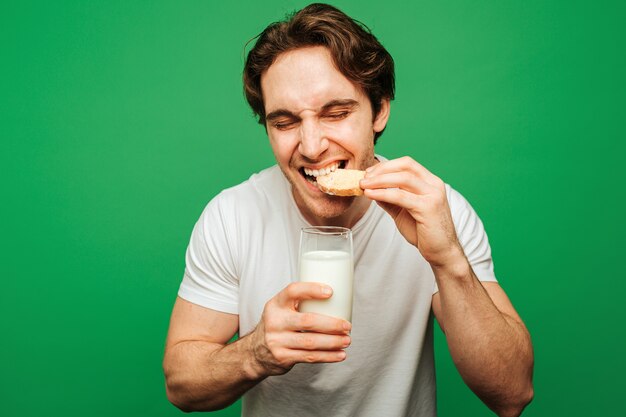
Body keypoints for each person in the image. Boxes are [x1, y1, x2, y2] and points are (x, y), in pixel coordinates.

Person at [163, 3, 534, 416]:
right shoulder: (232, 216)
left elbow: (512, 392)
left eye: (336, 113)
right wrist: (255, 352)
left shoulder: (436, 210)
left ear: (379, 111)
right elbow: (181, 384)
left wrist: (448, 261)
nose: (311, 146)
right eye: (284, 122)